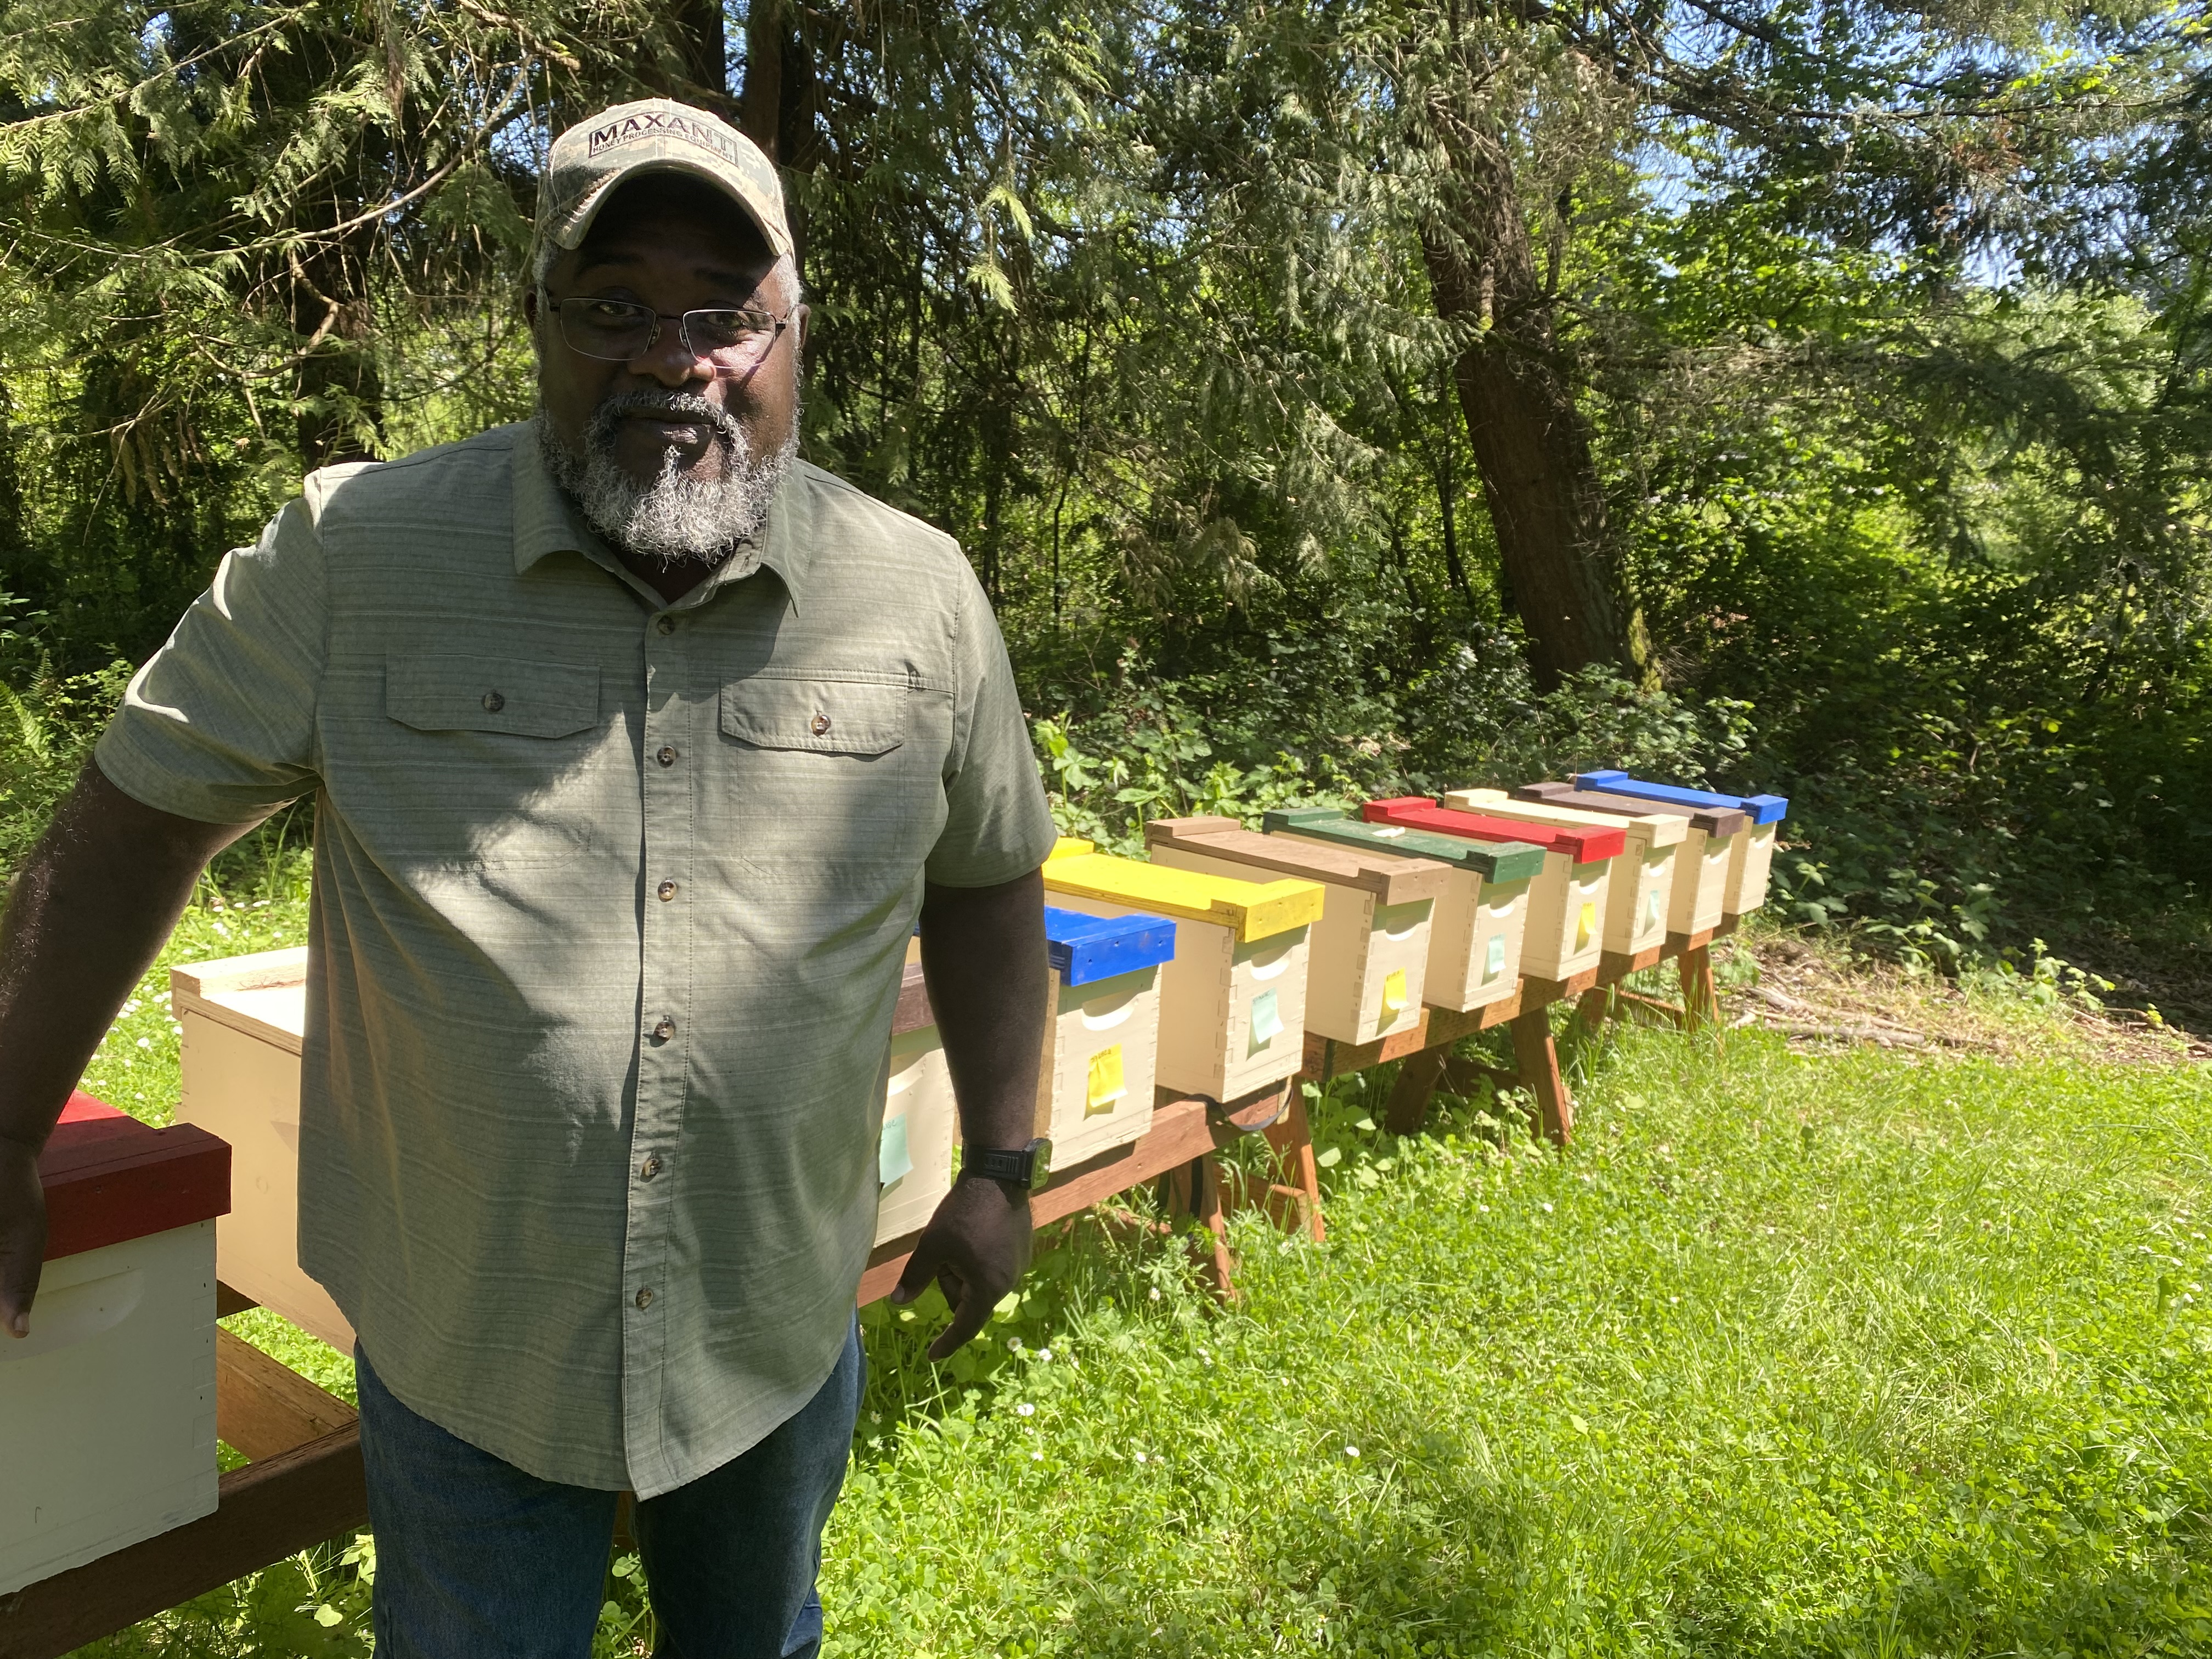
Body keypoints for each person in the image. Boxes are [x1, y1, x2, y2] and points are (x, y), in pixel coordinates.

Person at [0, 98, 1058, 1658]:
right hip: (466, 1349)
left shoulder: (918, 592)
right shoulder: (353, 558)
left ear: (794, 333)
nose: (669, 355)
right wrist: (11, 1125)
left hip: (769, 1334)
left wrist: (1002, 1165)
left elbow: (987, 876)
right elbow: (133, 824)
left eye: (722, 312)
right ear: (541, 325)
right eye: (612, 306)